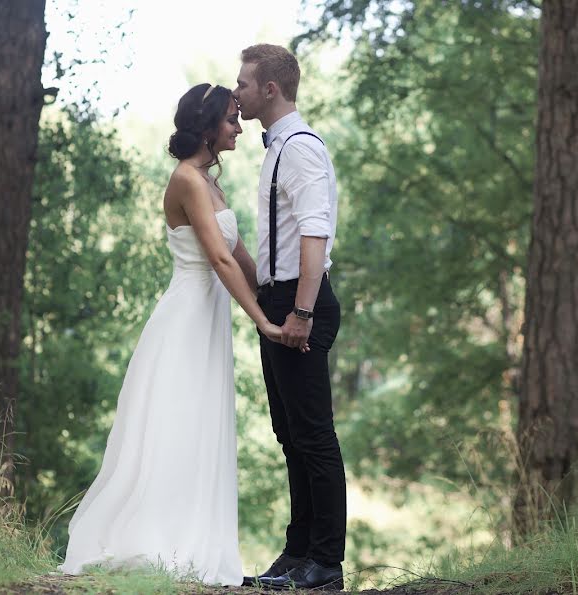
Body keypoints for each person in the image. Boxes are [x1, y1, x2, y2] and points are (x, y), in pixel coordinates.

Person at [58, 83, 284, 586]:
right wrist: (262, 322)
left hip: (210, 320)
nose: (239, 127)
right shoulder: (186, 179)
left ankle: (193, 539)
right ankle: (156, 542)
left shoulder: (210, 182)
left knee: (202, 424)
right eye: (230, 119)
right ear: (206, 128)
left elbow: (241, 253)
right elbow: (219, 259)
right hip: (185, 319)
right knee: (177, 423)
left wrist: (277, 299)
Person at [233, 44, 346, 591]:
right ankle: (298, 553)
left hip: (300, 302)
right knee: (290, 434)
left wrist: (301, 309)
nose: (237, 92)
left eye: (244, 84)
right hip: (277, 299)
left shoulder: (299, 148)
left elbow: (314, 230)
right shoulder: (276, 148)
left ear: (270, 89)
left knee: (314, 435)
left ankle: (325, 564)